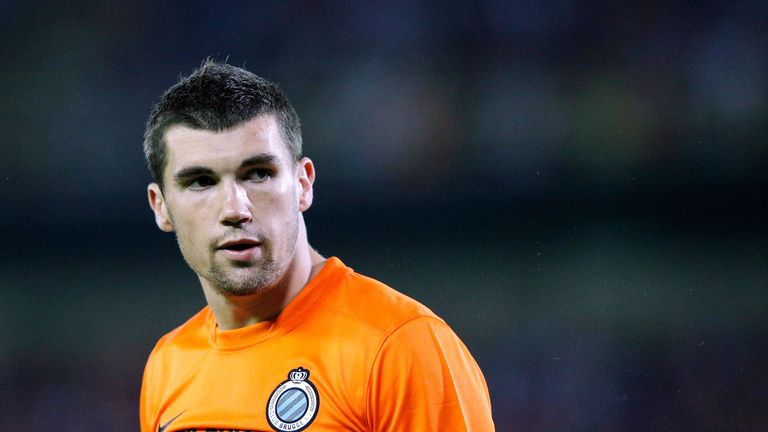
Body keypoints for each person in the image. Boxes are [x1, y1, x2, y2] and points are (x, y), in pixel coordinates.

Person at [139, 60, 495, 432]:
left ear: (303, 184)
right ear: (160, 207)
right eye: (200, 182)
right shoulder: (168, 365)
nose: (235, 209)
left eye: (258, 174)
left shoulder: (400, 346)